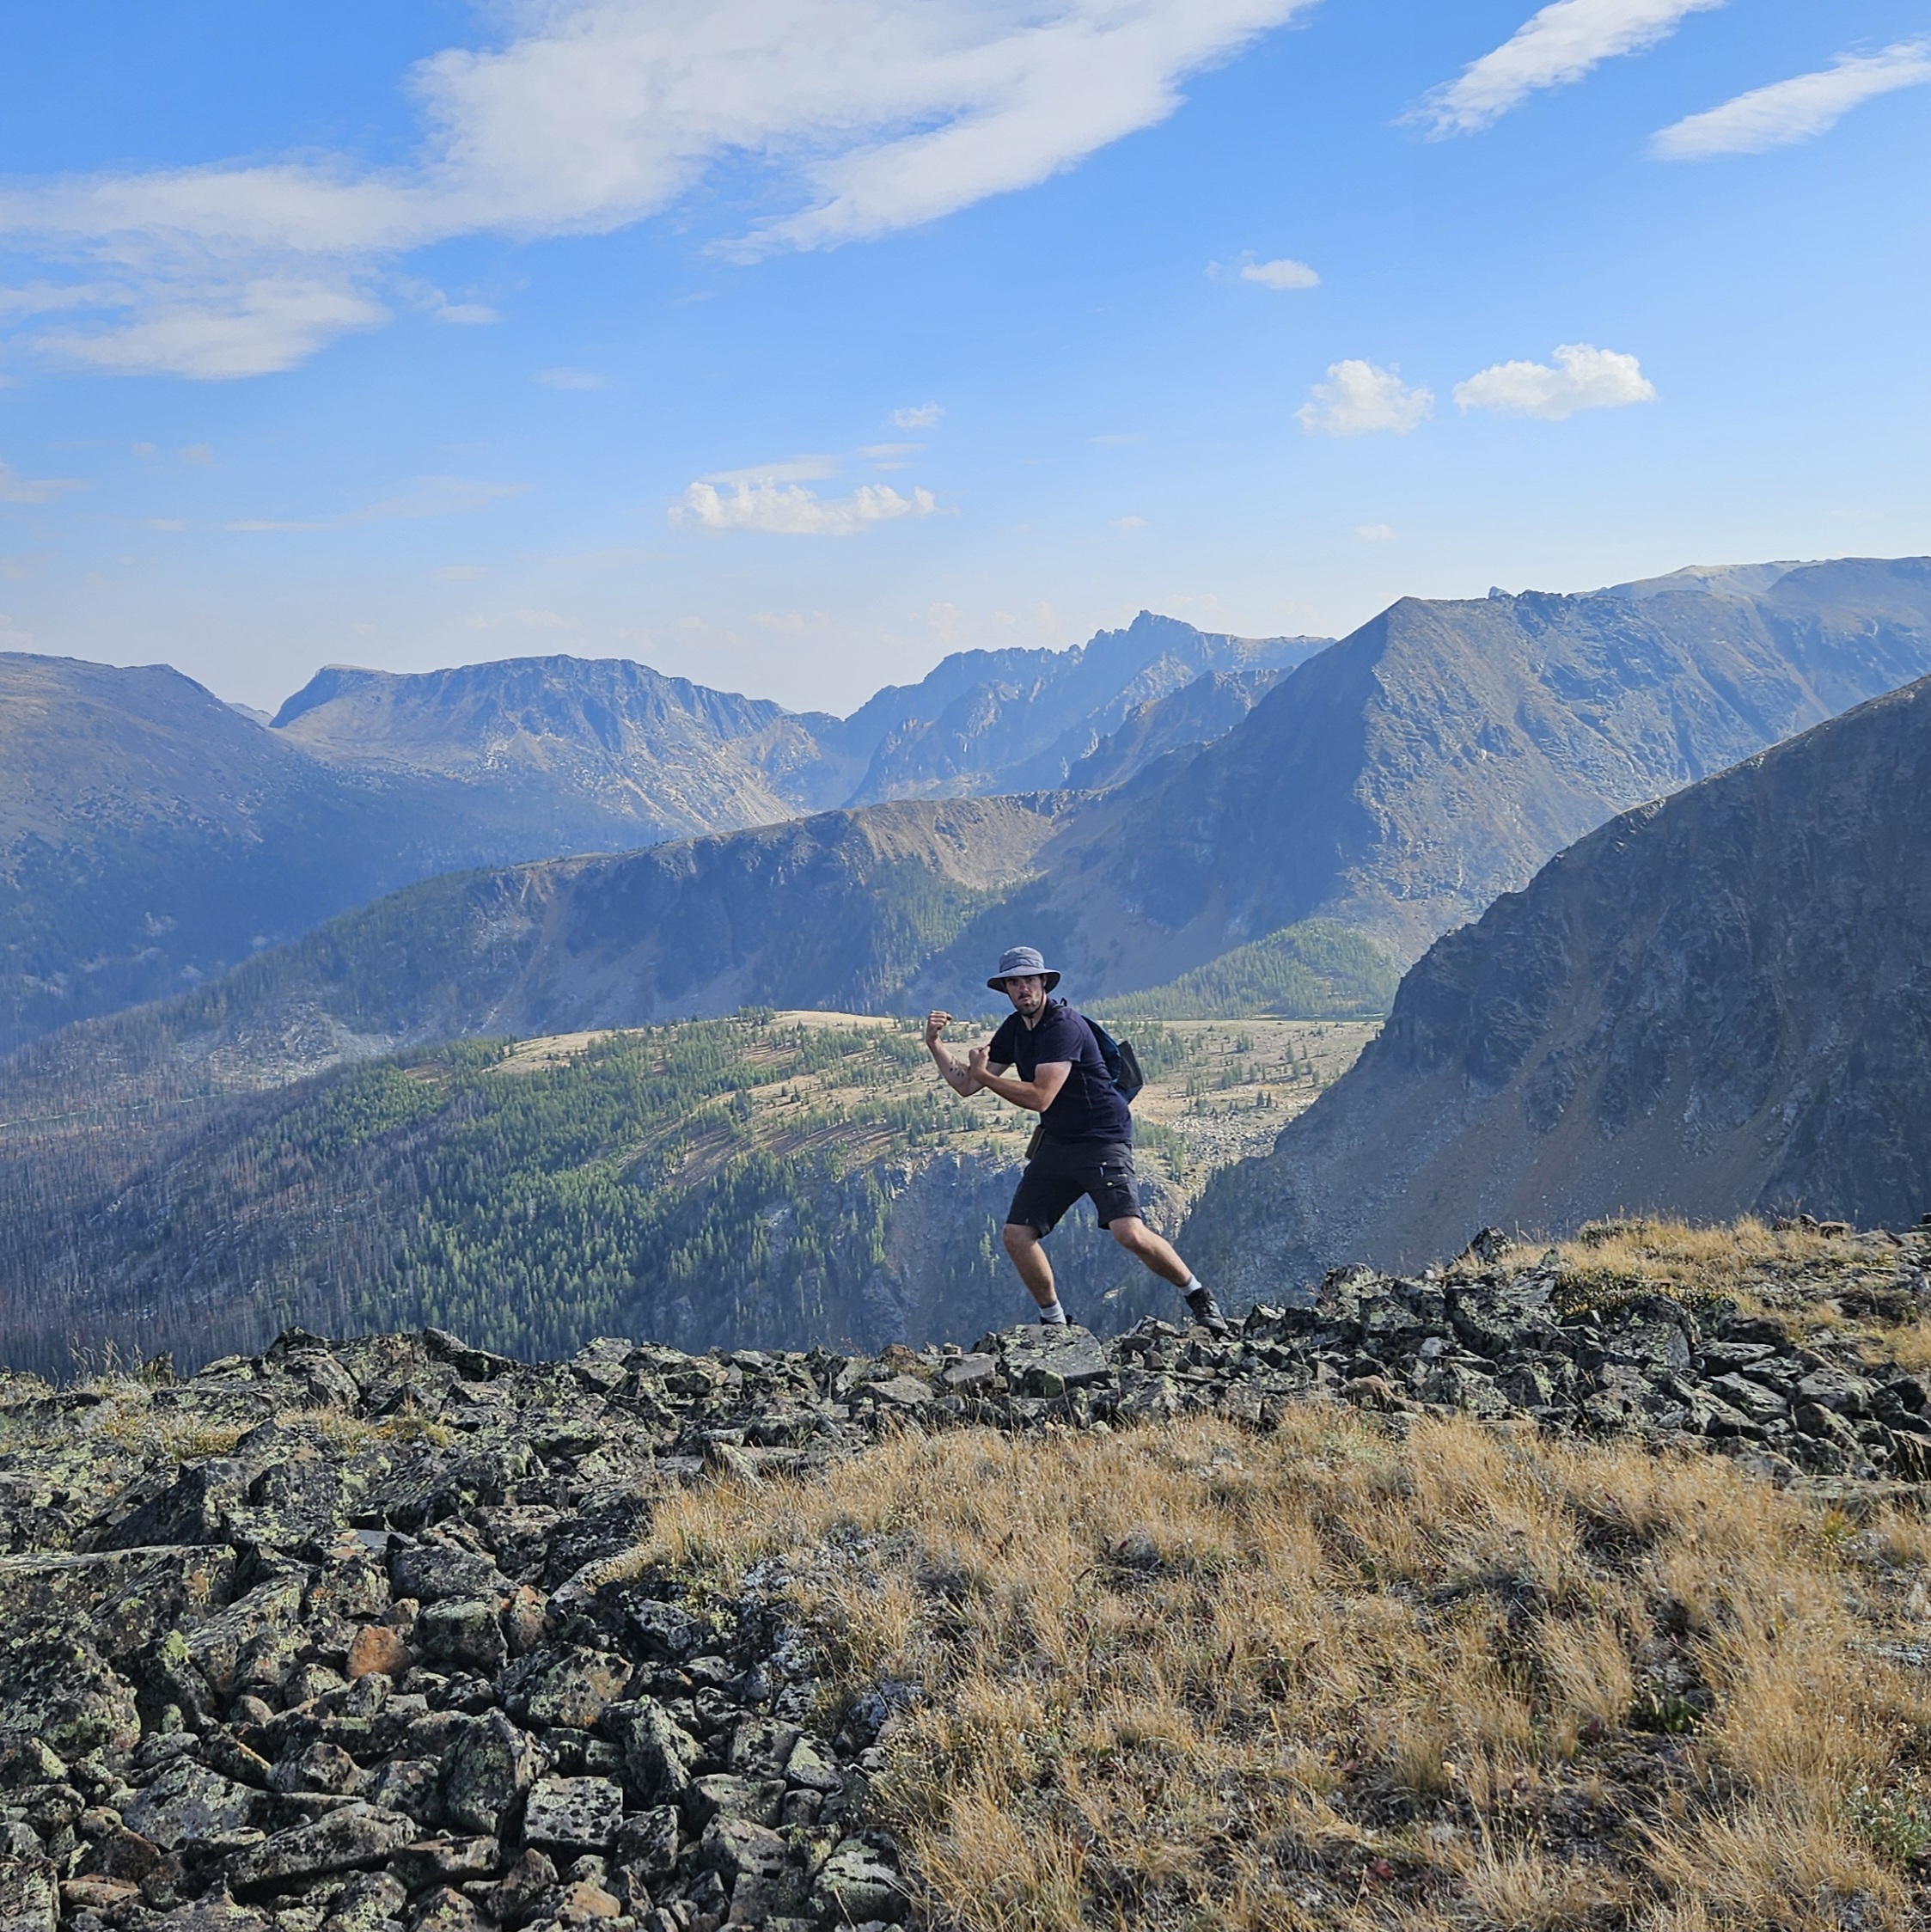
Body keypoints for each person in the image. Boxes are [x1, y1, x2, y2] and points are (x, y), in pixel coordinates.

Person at [926, 945, 1231, 1336]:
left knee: (1129, 1232)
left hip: (1102, 1138)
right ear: (1006, 990)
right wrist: (935, 1044)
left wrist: (985, 1076)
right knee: (1016, 1235)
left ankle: (1199, 1297)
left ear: (1044, 983)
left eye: (1029, 981)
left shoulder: (1063, 1026)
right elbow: (966, 1086)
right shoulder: (1014, 1029)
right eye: (1014, 983)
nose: (1023, 989)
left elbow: (1039, 1096)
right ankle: (1055, 1324)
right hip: (1058, 1140)